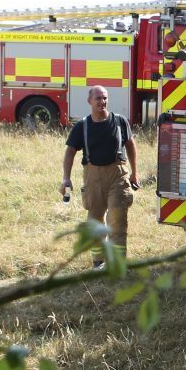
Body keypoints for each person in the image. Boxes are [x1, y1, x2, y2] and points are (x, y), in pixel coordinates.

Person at [61, 85, 139, 265]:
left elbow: (130, 144)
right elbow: (70, 151)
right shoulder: (82, 126)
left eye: (104, 98)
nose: (102, 102)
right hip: (93, 177)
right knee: (95, 221)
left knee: (117, 219)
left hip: (118, 175)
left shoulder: (120, 122)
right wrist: (66, 178)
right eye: (98, 98)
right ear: (89, 101)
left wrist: (135, 173)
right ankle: (98, 261)